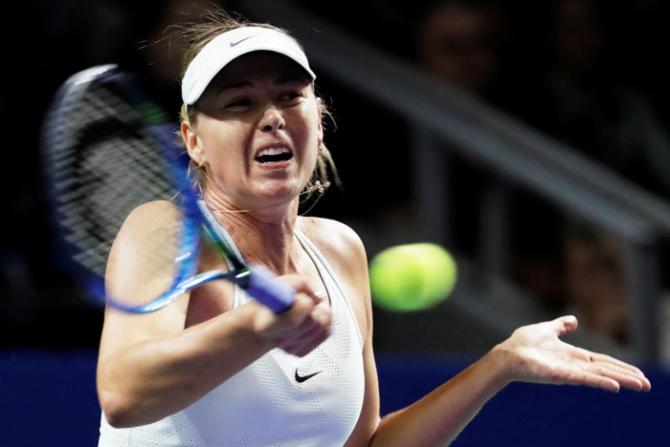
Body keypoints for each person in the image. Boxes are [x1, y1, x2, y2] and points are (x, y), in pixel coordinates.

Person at [96, 9, 651, 446]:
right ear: (193, 139)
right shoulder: (167, 231)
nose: (271, 116)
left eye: (290, 96)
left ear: (318, 118)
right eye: (239, 103)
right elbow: (123, 395)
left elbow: (365, 445)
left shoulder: (340, 250)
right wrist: (255, 329)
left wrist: (499, 365)